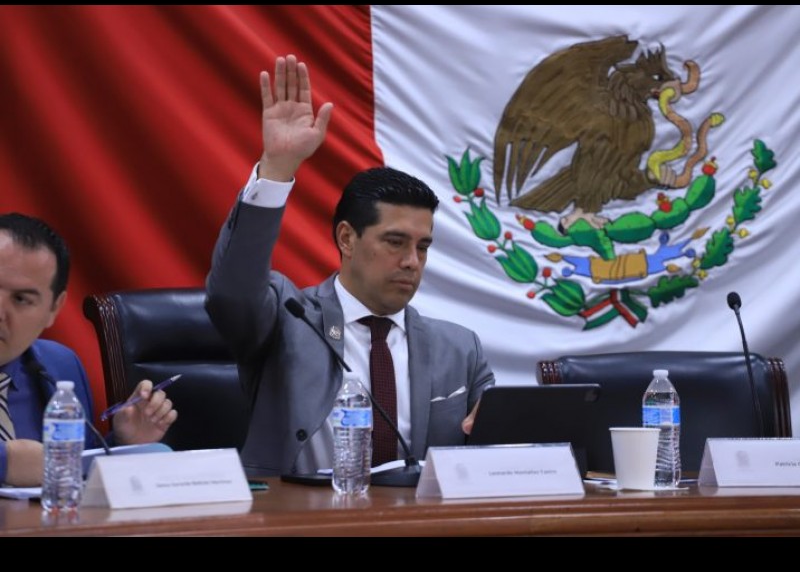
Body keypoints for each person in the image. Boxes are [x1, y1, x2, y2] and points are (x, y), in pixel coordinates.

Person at [206, 54, 494, 478]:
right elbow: (232, 291)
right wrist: (277, 169)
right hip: (298, 511)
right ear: (346, 238)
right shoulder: (289, 321)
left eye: (423, 247)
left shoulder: (460, 348)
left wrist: (497, 428)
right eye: (395, 242)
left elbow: (500, 445)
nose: (412, 261)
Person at [0, 213, 178, 487]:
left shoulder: (58, 366)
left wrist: (123, 444)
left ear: (54, 309)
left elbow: (78, 478)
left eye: (21, 299)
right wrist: (5, 463)